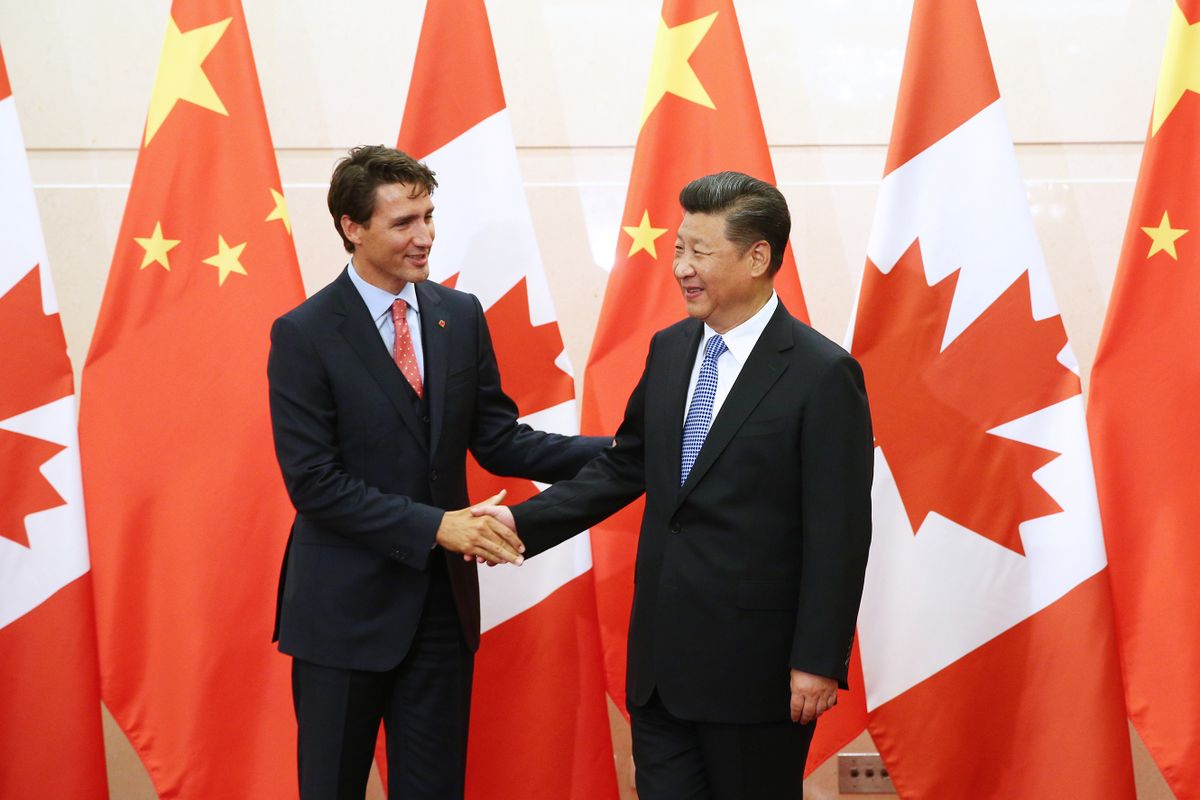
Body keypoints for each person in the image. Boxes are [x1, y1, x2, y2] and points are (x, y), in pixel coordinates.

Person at [476, 171, 874, 799]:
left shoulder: (822, 374)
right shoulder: (670, 349)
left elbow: (841, 531)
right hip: (661, 668)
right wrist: (519, 526)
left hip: (757, 670)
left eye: (699, 251)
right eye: (678, 249)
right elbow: (624, 465)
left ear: (757, 257)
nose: (682, 267)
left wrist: (819, 659)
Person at [267, 145, 608, 799]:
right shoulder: (305, 334)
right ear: (352, 226)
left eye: (428, 216)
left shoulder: (461, 316)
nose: (424, 236)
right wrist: (438, 528)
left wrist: (626, 453)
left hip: (439, 614)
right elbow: (313, 482)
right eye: (403, 222)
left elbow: (502, 442)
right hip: (341, 613)